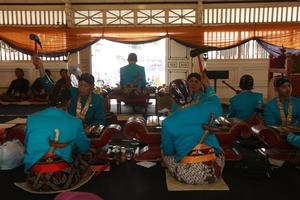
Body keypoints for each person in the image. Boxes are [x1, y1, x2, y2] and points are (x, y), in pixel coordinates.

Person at [24, 84, 91, 192]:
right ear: (69, 101)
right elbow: (84, 148)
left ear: (48, 99)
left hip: (35, 179)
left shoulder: (31, 118)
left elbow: (26, 145)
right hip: (63, 180)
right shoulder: (75, 122)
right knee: (88, 152)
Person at [161, 79, 224, 184]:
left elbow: (169, 151)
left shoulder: (168, 122)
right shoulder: (208, 108)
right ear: (191, 92)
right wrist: (208, 87)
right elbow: (216, 102)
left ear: (172, 98)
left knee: (164, 151)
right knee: (219, 148)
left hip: (188, 175)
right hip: (215, 170)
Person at [264, 76, 300, 149]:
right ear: (277, 89)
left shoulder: (298, 102)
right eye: (283, 87)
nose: (288, 89)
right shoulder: (270, 106)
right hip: (279, 135)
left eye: (289, 86)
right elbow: (271, 126)